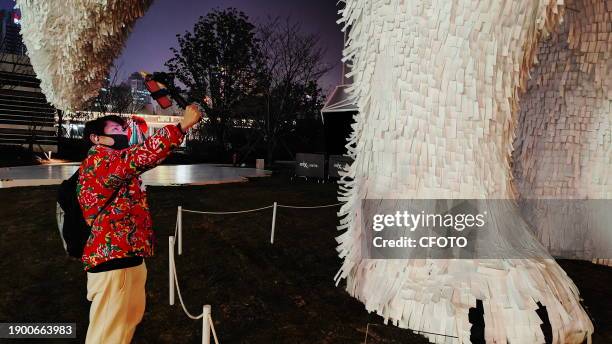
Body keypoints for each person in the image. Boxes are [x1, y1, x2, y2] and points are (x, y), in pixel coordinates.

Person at [78, 104, 202, 344]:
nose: (123, 134)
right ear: (96, 138)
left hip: (128, 256)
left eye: (124, 130)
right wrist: (181, 126)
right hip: (114, 261)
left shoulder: (116, 160)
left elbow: (140, 154)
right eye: (116, 129)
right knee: (108, 336)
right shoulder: (100, 162)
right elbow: (142, 155)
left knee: (122, 331)